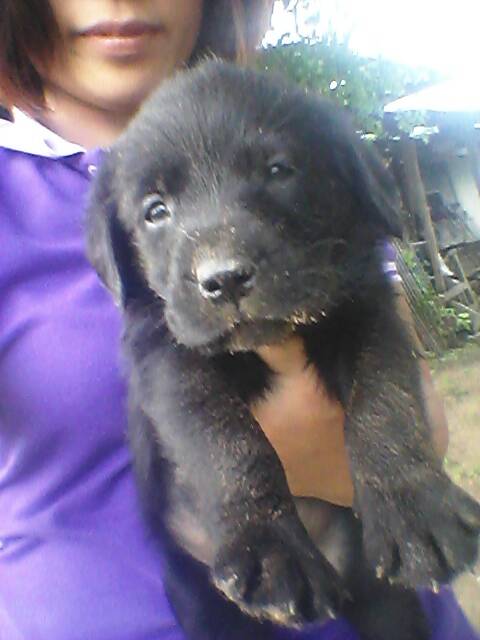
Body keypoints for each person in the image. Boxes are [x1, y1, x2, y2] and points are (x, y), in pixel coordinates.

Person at [0, 1, 475, 639]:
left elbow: (385, 350)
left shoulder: (295, 120)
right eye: (157, 211)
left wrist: (397, 467)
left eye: (275, 172)